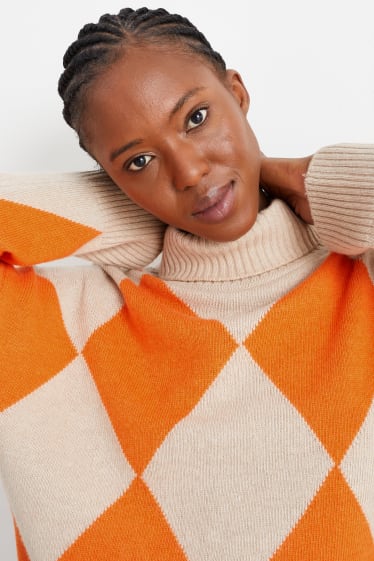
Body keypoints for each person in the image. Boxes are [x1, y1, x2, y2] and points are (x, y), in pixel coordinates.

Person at [0, 6, 373, 561]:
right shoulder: (60, 327)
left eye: (196, 118)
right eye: (140, 160)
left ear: (238, 94)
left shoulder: (360, 275)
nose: (189, 172)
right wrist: (136, 217)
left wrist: (305, 178)